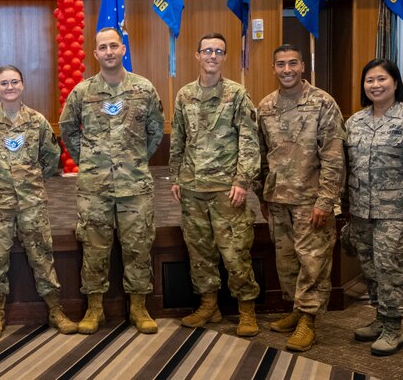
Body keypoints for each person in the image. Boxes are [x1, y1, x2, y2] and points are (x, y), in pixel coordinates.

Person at [60, 27, 165, 335]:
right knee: (94, 248)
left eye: (113, 46)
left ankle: (138, 307)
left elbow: (156, 130)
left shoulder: (144, 89)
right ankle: (95, 308)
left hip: (135, 186)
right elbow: (68, 130)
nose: (108, 51)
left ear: (123, 49)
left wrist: (134, 160)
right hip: (94, 188)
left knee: (138, 247)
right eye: (102, 47)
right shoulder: (83, 92)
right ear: (95, 54)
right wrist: (89, 161)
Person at [0, 65, 78, 339]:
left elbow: (51, 158)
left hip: (32, 203)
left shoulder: (37, 122)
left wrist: (33, 181)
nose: (10, 87)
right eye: (4, 83)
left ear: (23, 85)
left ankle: (55, 309)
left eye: (14, 81)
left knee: (42, 256)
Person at [168, 32, 262, 337]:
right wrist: (175, 176)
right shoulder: (184, 95)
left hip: (226, 189)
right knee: (200, 253)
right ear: (197, 55)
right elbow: (178, 139)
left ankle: (246, 309)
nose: (212, 56)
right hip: (193, 188)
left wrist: (243, 180)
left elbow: (249, 140)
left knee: (235, 251)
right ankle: (209, 305)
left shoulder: (237, 94)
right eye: (206, 50)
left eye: (218, 51)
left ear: (224, 58)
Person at [255, 44, 345, 351]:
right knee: (287, 260)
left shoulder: (322, 102)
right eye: (280, 64)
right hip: (278, 199)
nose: (287, 69)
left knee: (313, 260)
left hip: (311, 199)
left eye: (292, 63)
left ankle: (309, 320)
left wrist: (325, 200)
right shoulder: (266, 106)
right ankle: (296, 310)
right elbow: (262, 154)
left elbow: (334, 157)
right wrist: (262, 196)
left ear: (303, 66)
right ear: (273, 68)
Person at [345, 59, 403, 356]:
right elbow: (348, 168)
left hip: (396, 212)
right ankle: (380, 318)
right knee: (370, 269)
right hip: (361, 211)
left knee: (390, 269)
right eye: (369, 80)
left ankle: (394, 328)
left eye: (381, 79)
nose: (375, 85)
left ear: (395, 82)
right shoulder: (354, 121)